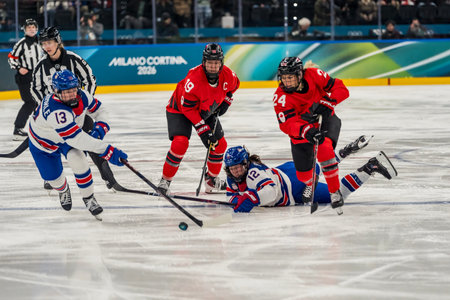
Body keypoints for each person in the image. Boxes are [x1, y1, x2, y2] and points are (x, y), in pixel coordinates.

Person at [28, 70, 128, 220]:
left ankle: (88, 198)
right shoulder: (56, 111)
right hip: (43, 145)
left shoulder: (82, 96)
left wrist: (100, 129)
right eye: (66, 92)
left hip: (66, 139)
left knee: (79, 160)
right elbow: (76, 139)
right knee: (55, 180)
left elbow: (100, 110)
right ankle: (63, 190)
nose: (71, 95)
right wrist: (107, 150)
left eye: (73, 90)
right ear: (56, 91)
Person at [30, 26, 120, 190]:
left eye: (49, 42)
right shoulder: (41, 65)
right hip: (54, 117)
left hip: (78, 113)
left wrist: (83, 106)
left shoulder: (73, 59)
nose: (46, 47)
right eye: (43, 43)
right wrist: (46, 110)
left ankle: (109, 179)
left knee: (92, 142)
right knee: (50, 145)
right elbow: (35, 89)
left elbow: (90, 80)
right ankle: (53, 177)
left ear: (57, 41)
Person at [224, 139, 398, 213]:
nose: (236, 171)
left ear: (246, 163)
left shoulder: (254, 173)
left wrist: (253, 198)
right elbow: (231, 195)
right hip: (287, 171)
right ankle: (345, 154)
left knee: (339, 194)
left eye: (239, 167)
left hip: (294, 187)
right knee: (321, 169)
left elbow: (271, 190)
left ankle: (368, 166)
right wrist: (236, 200)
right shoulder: (232, 176)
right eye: (232, 168)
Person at [158, 43, 240, 194]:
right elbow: (187, 108)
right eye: (210, 63)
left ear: (221, 63)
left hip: (206, 110)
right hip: (180, 110)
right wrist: (203, 130)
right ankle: (165, 180)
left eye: (216, 63)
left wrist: (227, 100)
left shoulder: (229, 75)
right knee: (180, 143)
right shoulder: (194, 79)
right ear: (204, 62)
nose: (213, 67)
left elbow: (234, 86)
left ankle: (211, 180)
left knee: (219, 145)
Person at [273, 57, 349, 213]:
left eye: (290, 78)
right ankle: (311, 181)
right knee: (303, 176)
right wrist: (306, 131)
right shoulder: (280, 97)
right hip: (302, 134)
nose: (286, 82)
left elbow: (341, 88)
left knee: (324, 148)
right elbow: (287, 124)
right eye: (284, 78)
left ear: (300, 75)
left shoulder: (315, 75)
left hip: (326, 122)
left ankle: (334, 192)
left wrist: (329, 102)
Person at [7, 19, 41, 141]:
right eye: (29, 27)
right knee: (30, 102)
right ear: (25, 30)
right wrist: (19, 67)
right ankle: (18, 129)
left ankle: (40, 128)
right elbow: (11, 58)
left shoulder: (41, 42)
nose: (31, 29)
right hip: (25, 77)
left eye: (33, 27)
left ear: (36, 29)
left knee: (40, 102)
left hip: (38, 76)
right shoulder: (21, 44)